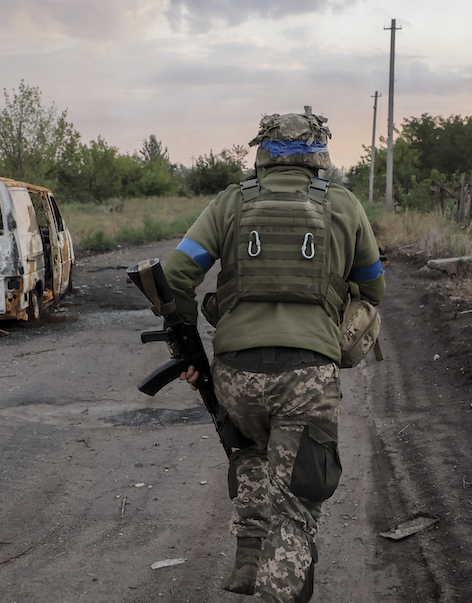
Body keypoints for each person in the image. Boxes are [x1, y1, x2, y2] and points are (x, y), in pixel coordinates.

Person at [164, 107, 386, 602]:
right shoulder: (344, 205)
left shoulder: (230, 204)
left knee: (250, 452)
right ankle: (276, 587)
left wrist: (188, 346)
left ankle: (248, 559)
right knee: (296, 506)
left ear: (262, 152)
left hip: (236, 376)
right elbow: (374, 289)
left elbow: (176, 274)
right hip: (307, 376)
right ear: (319, 153)